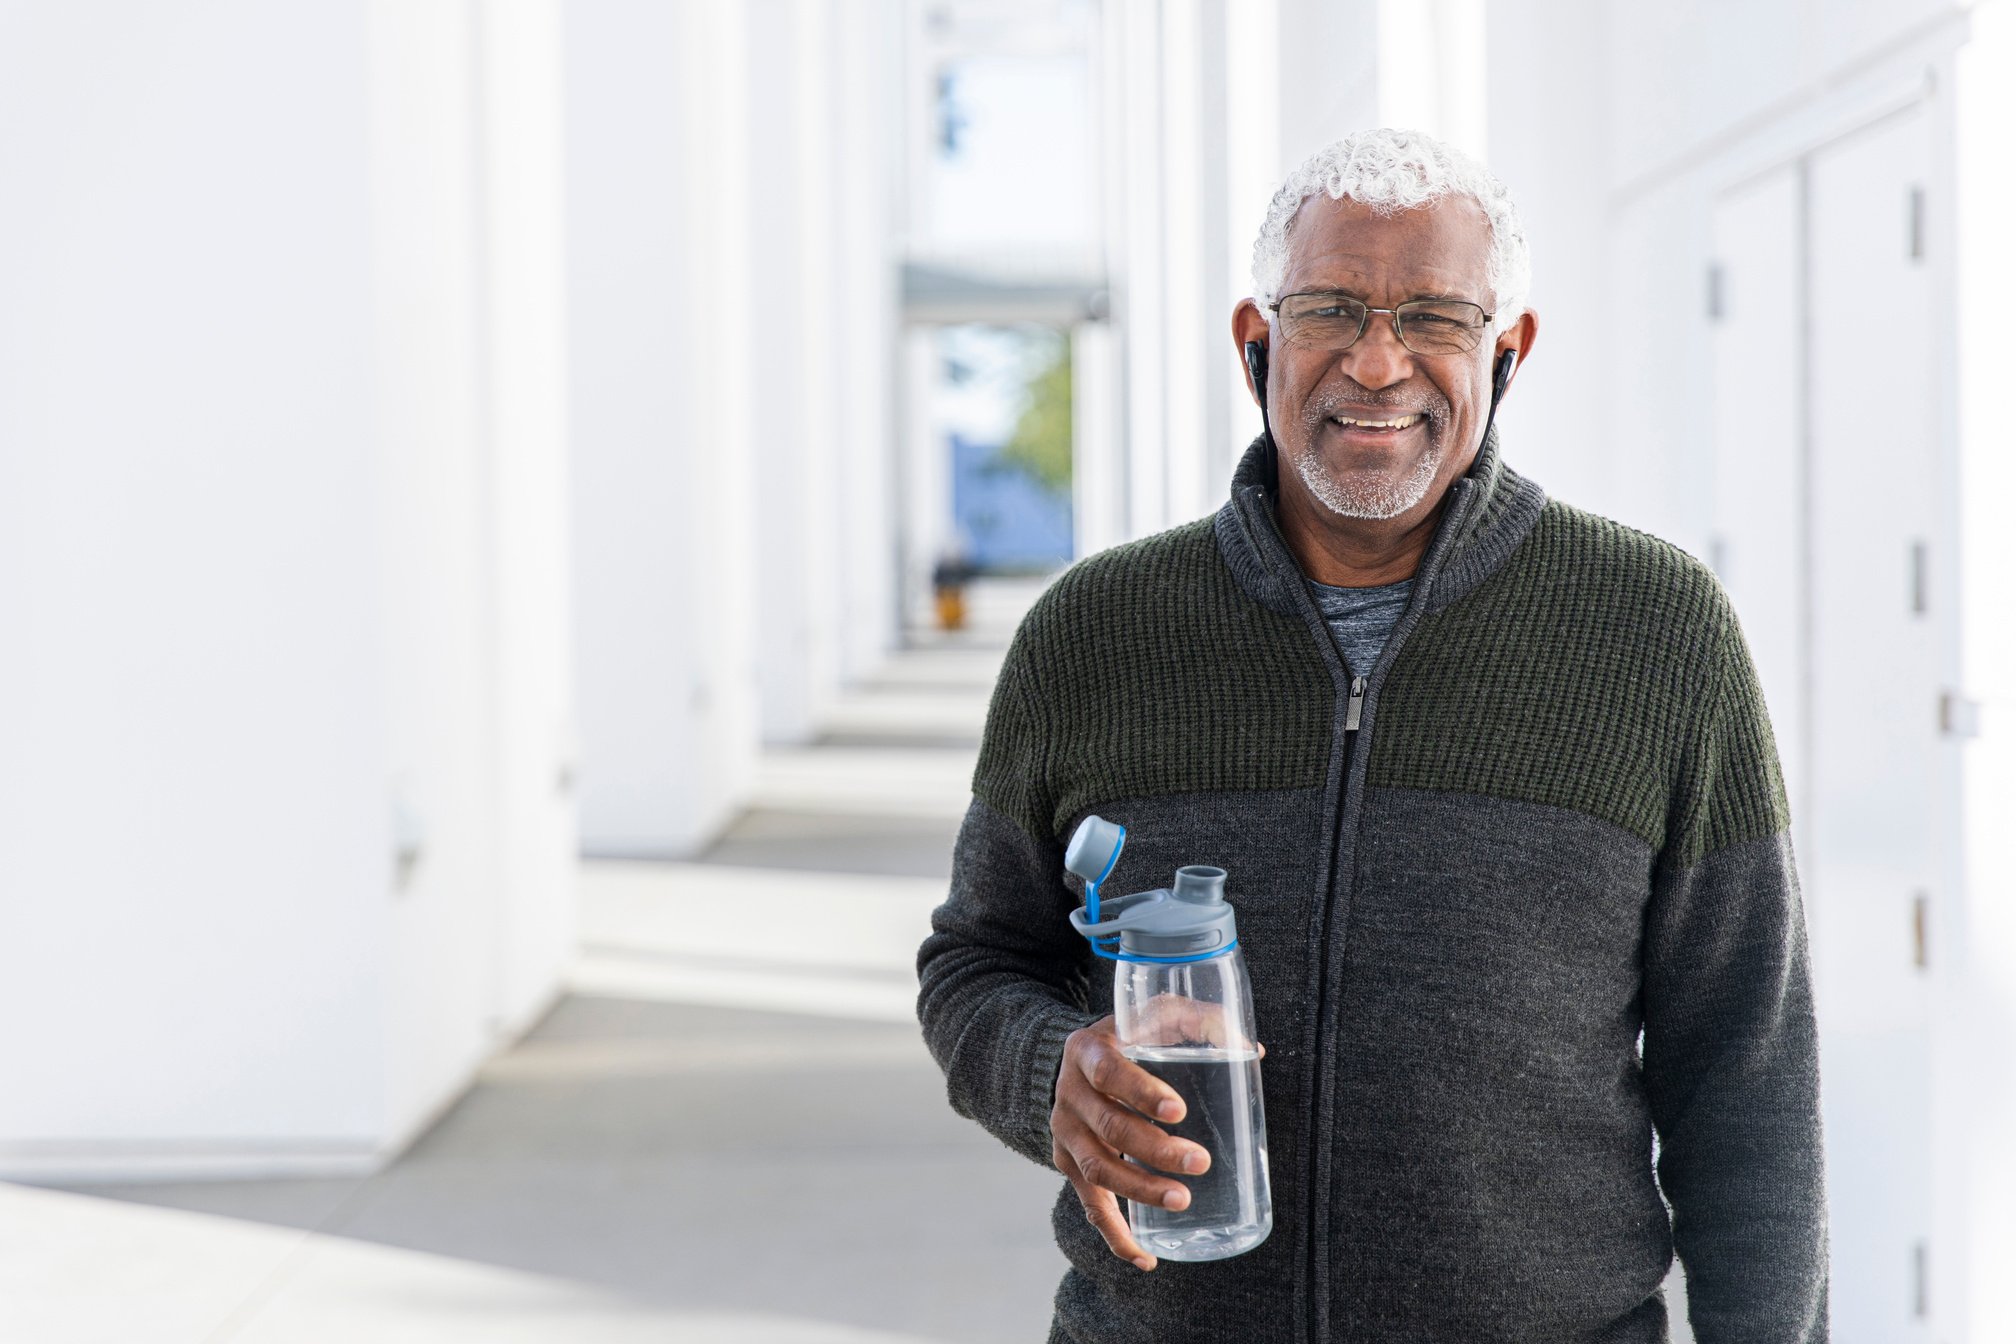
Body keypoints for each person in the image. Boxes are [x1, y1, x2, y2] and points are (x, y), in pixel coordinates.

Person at [915, 127, 1827, 1343]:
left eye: (1436, 317)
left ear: (1507, 353)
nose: (1379, 360)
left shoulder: (1657, 635)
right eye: (1332, 308)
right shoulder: (1096, 634)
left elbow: (1747, 1079)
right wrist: (1049, 1074)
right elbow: (975, 965)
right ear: (1258, 345)